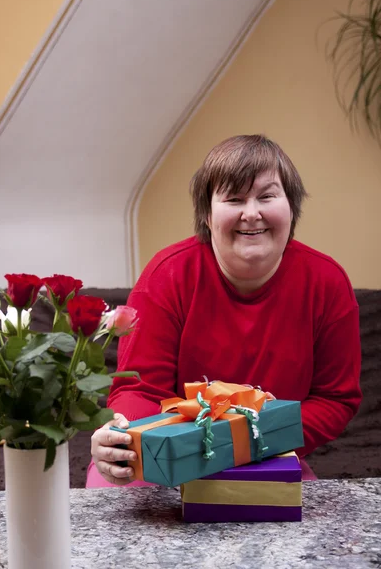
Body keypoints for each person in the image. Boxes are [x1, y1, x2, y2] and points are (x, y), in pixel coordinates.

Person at [87, 134, 362, 487]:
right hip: (165, 452)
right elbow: (139, 389)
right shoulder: (167, 275)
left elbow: (334, 398)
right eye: (234, 198)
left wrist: (242, 441)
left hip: (265, 451)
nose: (252, 213)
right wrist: (126, 440)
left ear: (291, 206)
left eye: (267, 196)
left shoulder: (328, 282)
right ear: (206, 214)